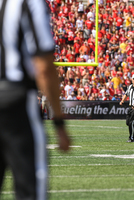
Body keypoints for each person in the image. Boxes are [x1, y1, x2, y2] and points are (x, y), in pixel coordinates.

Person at [0, 1, 71, 199]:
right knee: (30, 189)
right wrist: (59, 122)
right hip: (16, 101)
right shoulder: (29, 3)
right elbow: (44, 67)